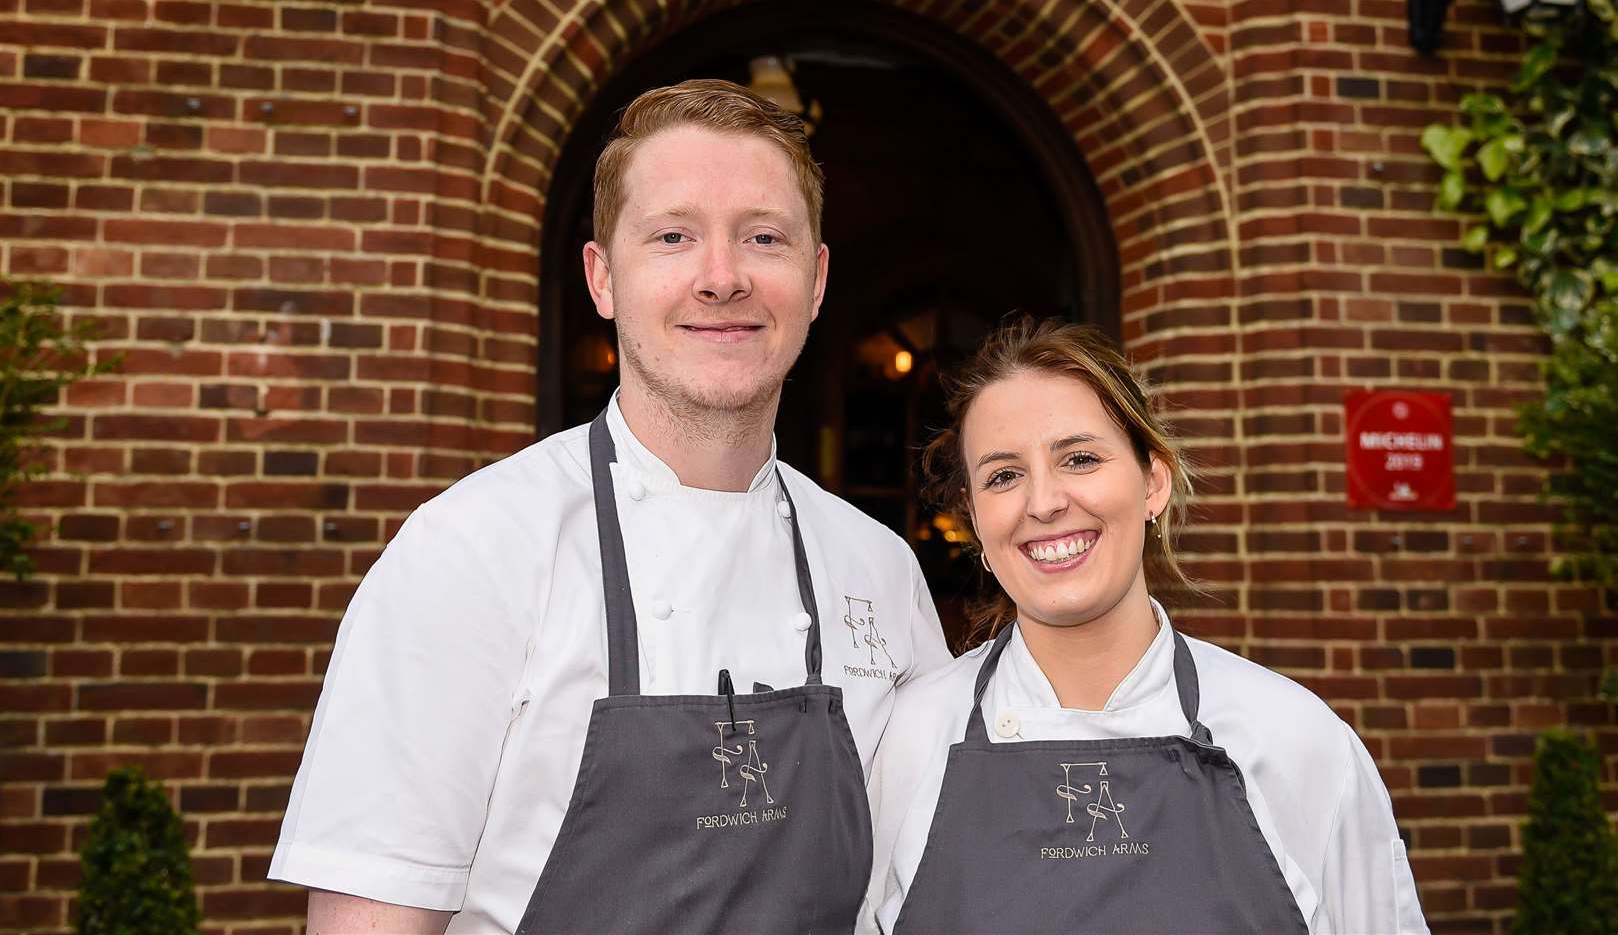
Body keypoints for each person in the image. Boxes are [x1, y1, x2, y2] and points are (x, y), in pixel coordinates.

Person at [269, 79, 950, 934]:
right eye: (673, 236)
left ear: (814, 281)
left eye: (763, 237)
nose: (722, 278)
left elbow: (930, 889)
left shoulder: (880, 569)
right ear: (603, 278)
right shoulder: (473, 550)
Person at [861, 317, 1428, 934]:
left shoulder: (1296, 739)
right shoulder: (909, 744)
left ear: (1153, 482)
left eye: (1079, 458)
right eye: (1003, 475)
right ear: (974, 513)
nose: (1044, 502)